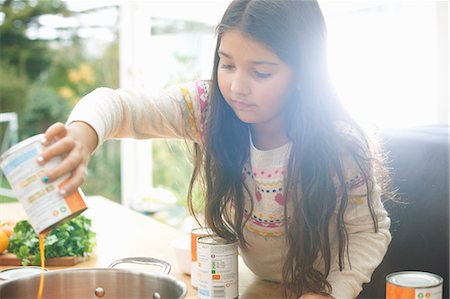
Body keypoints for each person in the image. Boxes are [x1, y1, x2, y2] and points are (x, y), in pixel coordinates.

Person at [37, 1, 391, 298]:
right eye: (227, 64)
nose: (236, 86)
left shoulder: (339, 144)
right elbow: (120, 107)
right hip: (257, 287)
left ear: (304, 73)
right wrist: (82, 136)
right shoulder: (208, 109)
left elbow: (368, 232)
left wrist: (332, 291)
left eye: (261, 73)